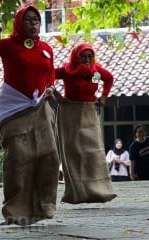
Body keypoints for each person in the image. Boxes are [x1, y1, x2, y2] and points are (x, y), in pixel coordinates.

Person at [0, 5, 60, 226]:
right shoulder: (9, 45)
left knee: (49, 155)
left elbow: (50, 74)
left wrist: (49, 87)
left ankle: (44, 206)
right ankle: (15, 211)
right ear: (20, 22)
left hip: (40, 107)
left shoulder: (46, 48)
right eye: (28, 20)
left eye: (36, 20)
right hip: (14, 109)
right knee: (18, 159)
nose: (33, 24)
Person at [53, 43, 117, 204]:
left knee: (92, 151)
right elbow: (47, 76)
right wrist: (56, 95)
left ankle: (99, 191)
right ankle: (77, 193)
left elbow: (108, 79)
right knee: (74, 151)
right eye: (84, 56)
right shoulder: (67, 70)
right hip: (70, 112)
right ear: (76, 56)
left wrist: (103, 96)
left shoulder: (96, 71)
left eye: (90, 56)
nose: (87, 59)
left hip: (89, 111)